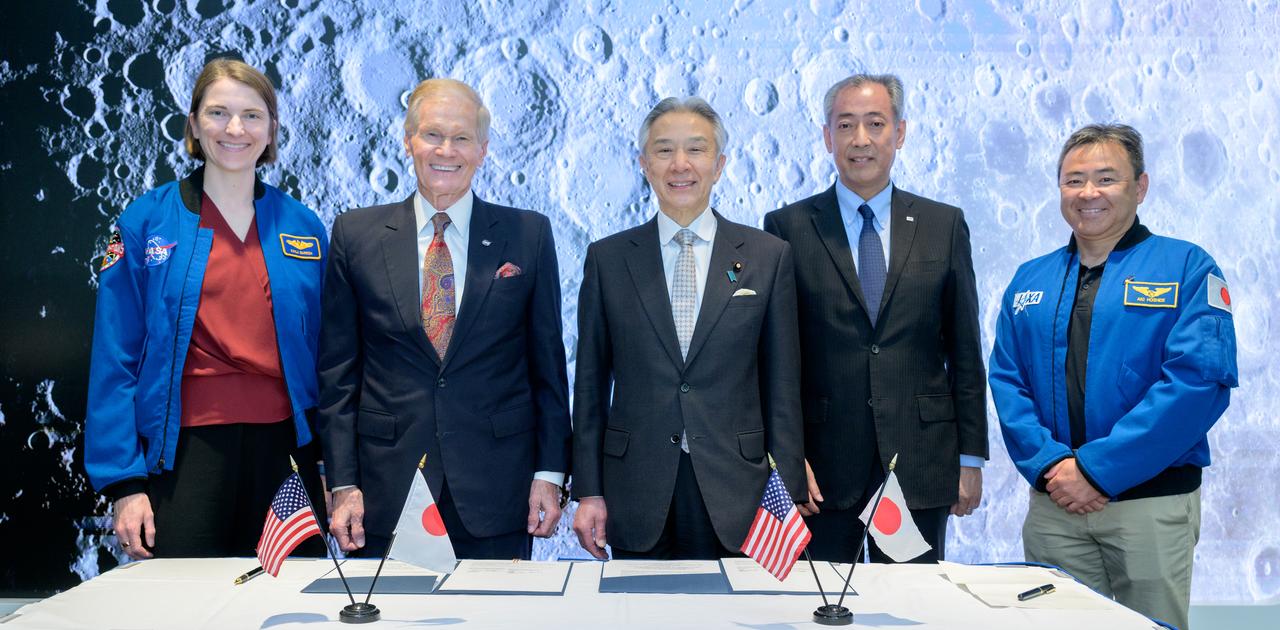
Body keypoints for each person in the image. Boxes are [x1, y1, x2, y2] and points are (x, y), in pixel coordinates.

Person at [989, 124, 1237, 630]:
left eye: (1106, 178)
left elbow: (1196, 384)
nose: (1089, 193)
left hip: (1149, 507)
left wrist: (1097, 471)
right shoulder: (1028, 280)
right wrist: (1054, 467)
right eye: (1074, 180)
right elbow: (1007, 382)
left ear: (1140, 187)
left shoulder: (1187, 267)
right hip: (1054, 507)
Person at [85, 57, 329, 559]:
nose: (234, 128)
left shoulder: (304, 228)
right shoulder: (146, 221)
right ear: (194, 124)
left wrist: (336, 471)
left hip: (286, 456)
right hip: (184, 455)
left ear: (271, 130)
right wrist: (125, 484)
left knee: (291, 606)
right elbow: (115, 357)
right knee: (186, 606)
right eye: (218, 113)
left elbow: (332, 358)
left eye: (251, 115)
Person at [318, 78, 571, 560]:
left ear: (483, 150)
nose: (446, 150)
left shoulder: (528, 234)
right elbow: (337, 375)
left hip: (499, 489)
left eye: (461, 138)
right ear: (408, 140)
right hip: (386, 490)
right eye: (433, 134)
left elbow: (549, 369)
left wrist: (550, 472)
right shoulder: (356, 235)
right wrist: (344, 482)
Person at [762, 73, 986, 564]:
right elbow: (779, 360)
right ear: (827, 137)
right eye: (846, 125)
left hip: (919, 461)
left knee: (908, 609)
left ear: (900, 133)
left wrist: (970, 458)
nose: (860, 139)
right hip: (822, 470)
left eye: (875, 124)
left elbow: (966, 352)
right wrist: (787, 458)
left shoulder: (943, 224)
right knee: (815, 610)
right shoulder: (787, 228)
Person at [571, 97, 805, 560]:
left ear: (719, 165)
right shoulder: (609, 258)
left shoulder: (767, 256)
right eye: (664, 150)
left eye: (696, 150)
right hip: (636, 487)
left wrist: (790, 491)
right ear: (643, 164)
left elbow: (783, 388)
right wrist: (589, 491)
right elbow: (591, 386)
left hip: (741, 489)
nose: (680, 165)